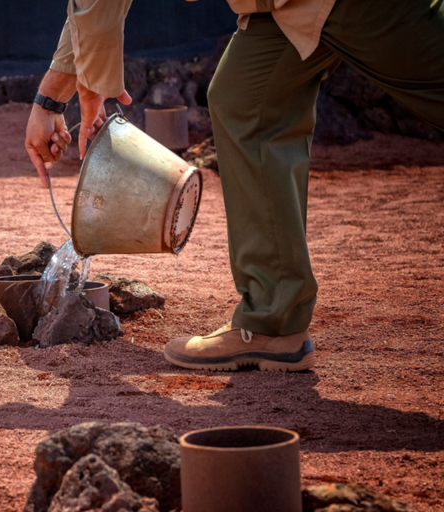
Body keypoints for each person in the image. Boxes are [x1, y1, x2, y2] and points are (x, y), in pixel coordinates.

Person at [25, 0, 444, 372]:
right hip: (277, 8)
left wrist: (67, 92)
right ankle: (272, 323)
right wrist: (53, 96)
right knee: (244, 99)